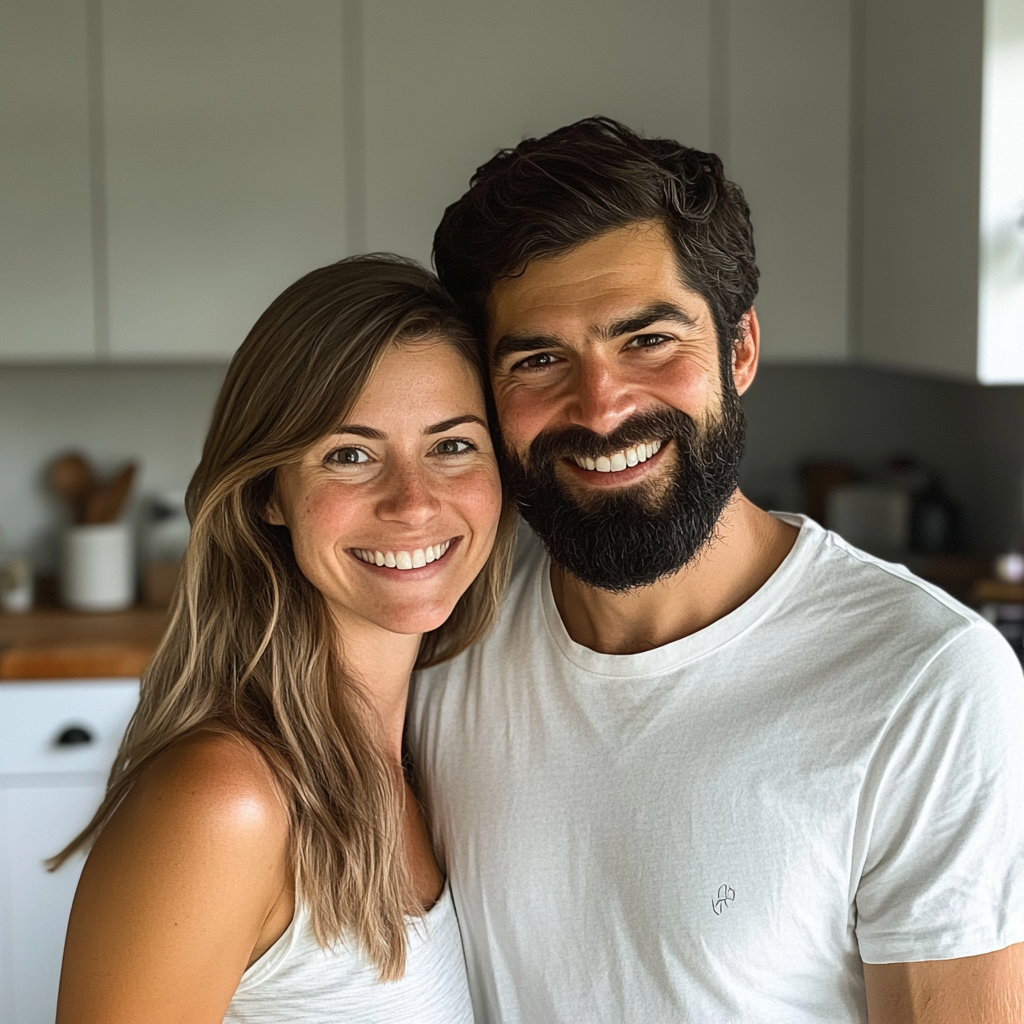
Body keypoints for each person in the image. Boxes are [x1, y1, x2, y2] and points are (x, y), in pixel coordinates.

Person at [407, 117, 1024, 1023]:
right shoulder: (444, 645)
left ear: (738, 351)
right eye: (540, 358)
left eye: (649, 341)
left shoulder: (927, 681)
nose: (601, 407)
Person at [53, 256, 516, 1023]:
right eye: (350, 454)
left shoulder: (437, 750)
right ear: (271, 489)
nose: (412, 502)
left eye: (453, 445)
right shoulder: (226, 803)